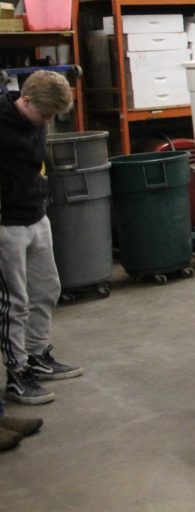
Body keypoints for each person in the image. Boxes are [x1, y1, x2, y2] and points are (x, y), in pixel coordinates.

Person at [1, 70, 82, 407]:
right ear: (26, 99)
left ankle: (37, 354)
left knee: (48, 289)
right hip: (7, 225)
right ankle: (17, 372)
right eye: (44, 114)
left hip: (36, 214)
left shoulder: (37, 118)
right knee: (14, 303)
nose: (47, 121)